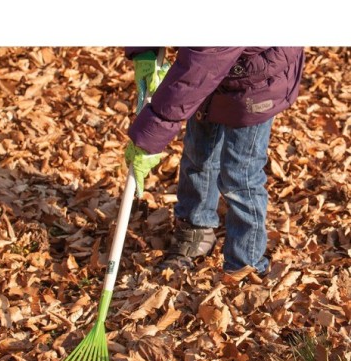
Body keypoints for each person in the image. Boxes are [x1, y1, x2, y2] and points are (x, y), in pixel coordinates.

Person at [124, 47, 305, 276]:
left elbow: (198, 70)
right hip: (213, 72)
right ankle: (195, 233)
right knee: (198, 154)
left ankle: (244, 264)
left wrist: (151, 135)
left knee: (241, 175)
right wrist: (144, 49)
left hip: (257, 81)